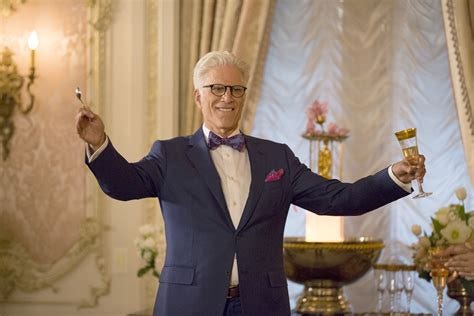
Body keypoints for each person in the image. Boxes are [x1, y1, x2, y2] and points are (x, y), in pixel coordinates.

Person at [75, 50, 426, 316]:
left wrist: (394, 176)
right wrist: (98, 142)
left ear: (244, 95)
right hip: (188, 302)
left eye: (235, 89)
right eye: (216, 88)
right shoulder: (169, 155)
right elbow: (122, 185)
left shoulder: (278, 159)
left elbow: (339, 199)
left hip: (261, 304)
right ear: (199, 96)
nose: (227, 97)